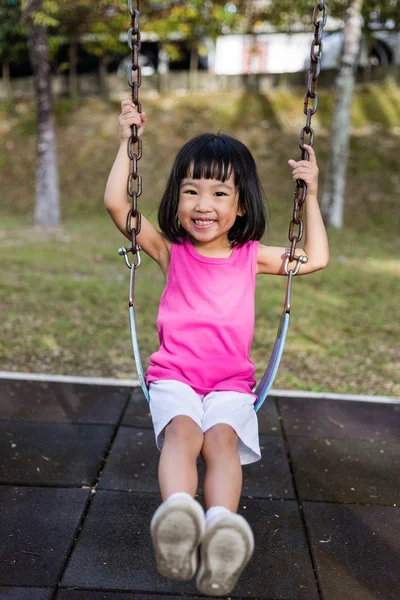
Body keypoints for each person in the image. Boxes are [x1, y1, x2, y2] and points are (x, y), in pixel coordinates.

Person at [104, 100, 329, 596]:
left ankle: (222, 533)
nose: (203, 204)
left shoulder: (251, 258)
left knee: (222, 441)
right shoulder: (169, 249)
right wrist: (126, 142)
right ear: (176, 198)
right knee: (184, 435)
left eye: (219, 192)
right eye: (191, 191)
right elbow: (118, 205)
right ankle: (179, 521)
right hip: (174, 376)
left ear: (241, 204)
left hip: (230, 383)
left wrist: (310, 194)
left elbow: (315, 258)